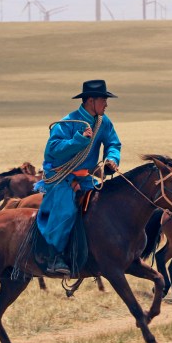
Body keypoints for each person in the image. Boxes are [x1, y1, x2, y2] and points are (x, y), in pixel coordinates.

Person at [33, 80, 122, 276]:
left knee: (106, 205)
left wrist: (111, 159)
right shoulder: (68, 123)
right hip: (60, 176)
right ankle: (54, 257)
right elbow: (52, 151)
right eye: (103, 100)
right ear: (91, 100)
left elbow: (113, 143)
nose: (106, 104)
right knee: (65, 210)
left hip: (86, 177)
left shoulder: (103, 122)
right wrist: (78, 140)